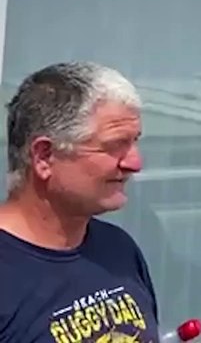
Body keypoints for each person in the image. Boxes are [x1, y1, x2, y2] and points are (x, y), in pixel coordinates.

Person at [0, 63, 159, 341]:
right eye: (114, 146)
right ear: (44, 156)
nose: (135, 163)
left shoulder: (118, 250)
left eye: (135, 142)